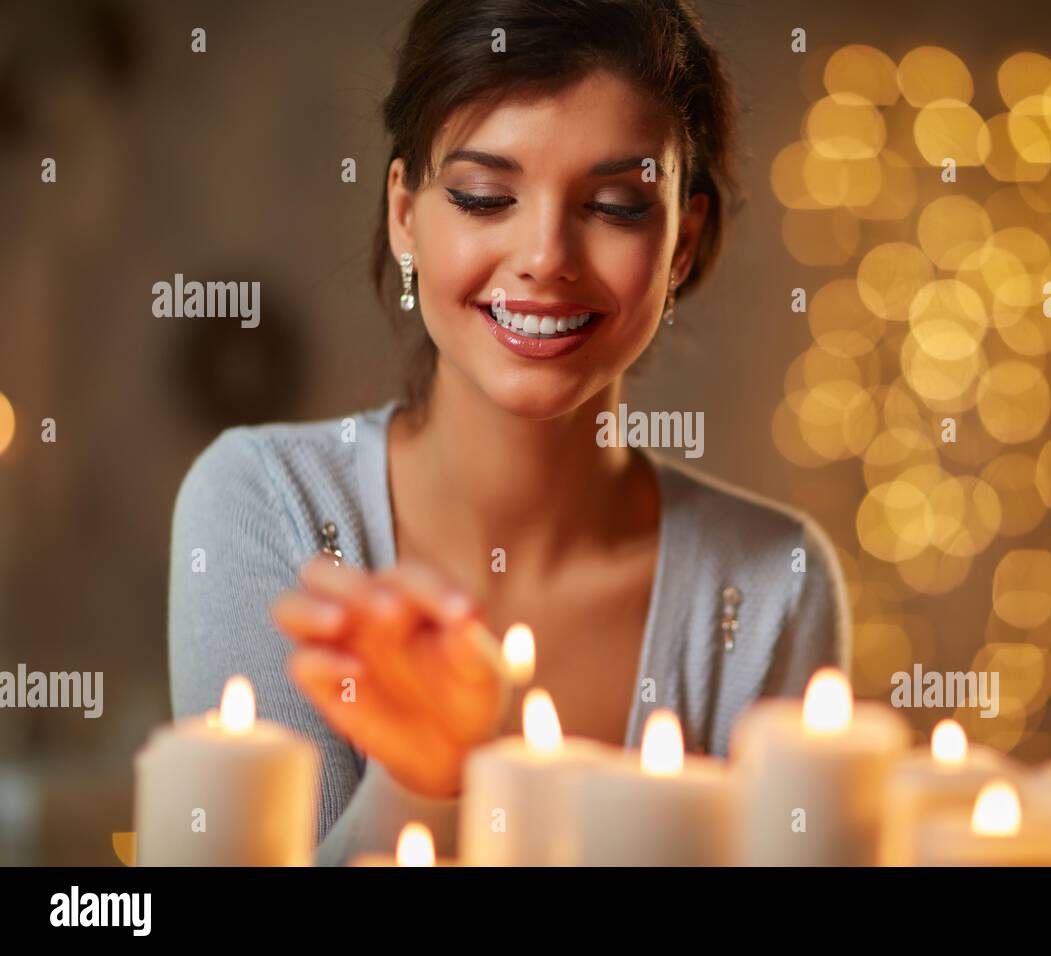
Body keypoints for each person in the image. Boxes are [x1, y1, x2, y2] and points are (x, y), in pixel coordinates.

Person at [167, 0, 850, 865]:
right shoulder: (264, 503)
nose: (544, 256)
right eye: (484, 196)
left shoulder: (772, 583)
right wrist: (429, 776)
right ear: (407, 215)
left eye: (616, 205)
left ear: (684, 243)